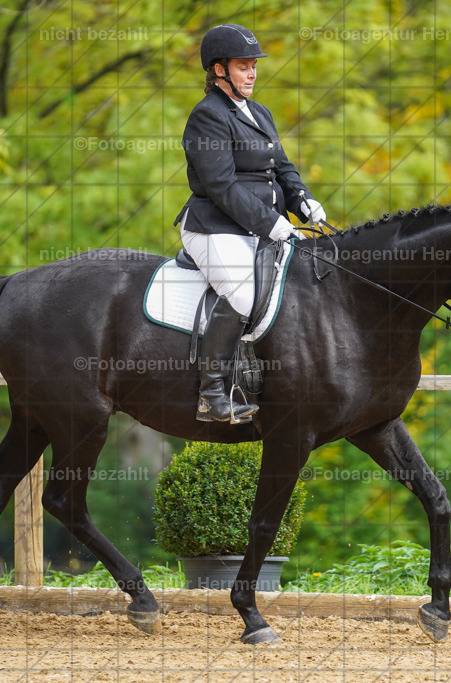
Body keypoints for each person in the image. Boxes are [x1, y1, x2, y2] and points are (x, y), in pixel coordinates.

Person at [175, 23, 327, 424]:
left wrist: (303, 200)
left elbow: (282, 167)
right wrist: (273, 223)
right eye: (244, 66)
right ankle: (211, 394)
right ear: (219, 70)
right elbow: (221, 186)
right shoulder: (207, 117)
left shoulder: (259, 112)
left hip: (257, 226)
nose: (252, 73)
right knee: (242, 295)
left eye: (254, 66)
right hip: (213, 227)